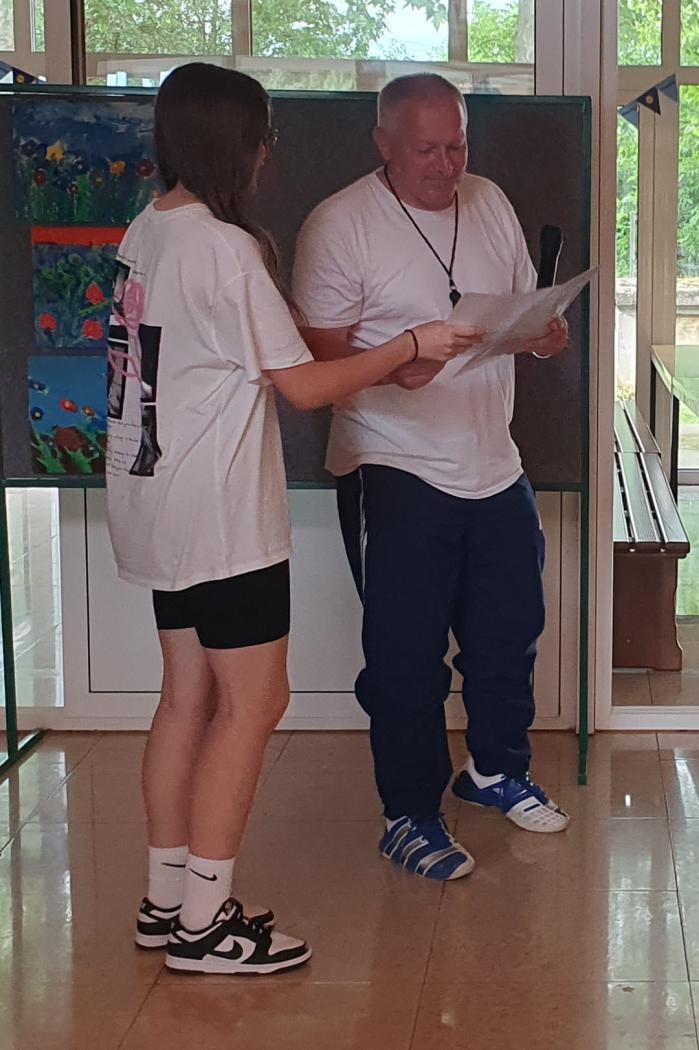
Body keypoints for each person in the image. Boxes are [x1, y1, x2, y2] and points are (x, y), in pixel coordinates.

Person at [105, 62, 477, 975]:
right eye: (262, 137)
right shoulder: (223, 250)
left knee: (185, 698)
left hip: (154, 500)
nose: (268, 154)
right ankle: (205, 925)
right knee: (253, 704)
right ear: (235, 144)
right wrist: (411, 342)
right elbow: (304, 386)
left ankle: (166, 901)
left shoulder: (148, 229)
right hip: (221, 517)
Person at [293, 73, 571, 884]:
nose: (447, 166)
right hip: (393, 459)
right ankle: (408, 814)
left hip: (493, 460)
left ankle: (494, 769)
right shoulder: (339, 224)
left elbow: (514, 310)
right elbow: (316, 360)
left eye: (457, 146)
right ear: (382, 144)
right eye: (426, 150)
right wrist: (395, 365)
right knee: (405, 656)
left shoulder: (489, 201)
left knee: (508, 633)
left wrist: (540, 334)